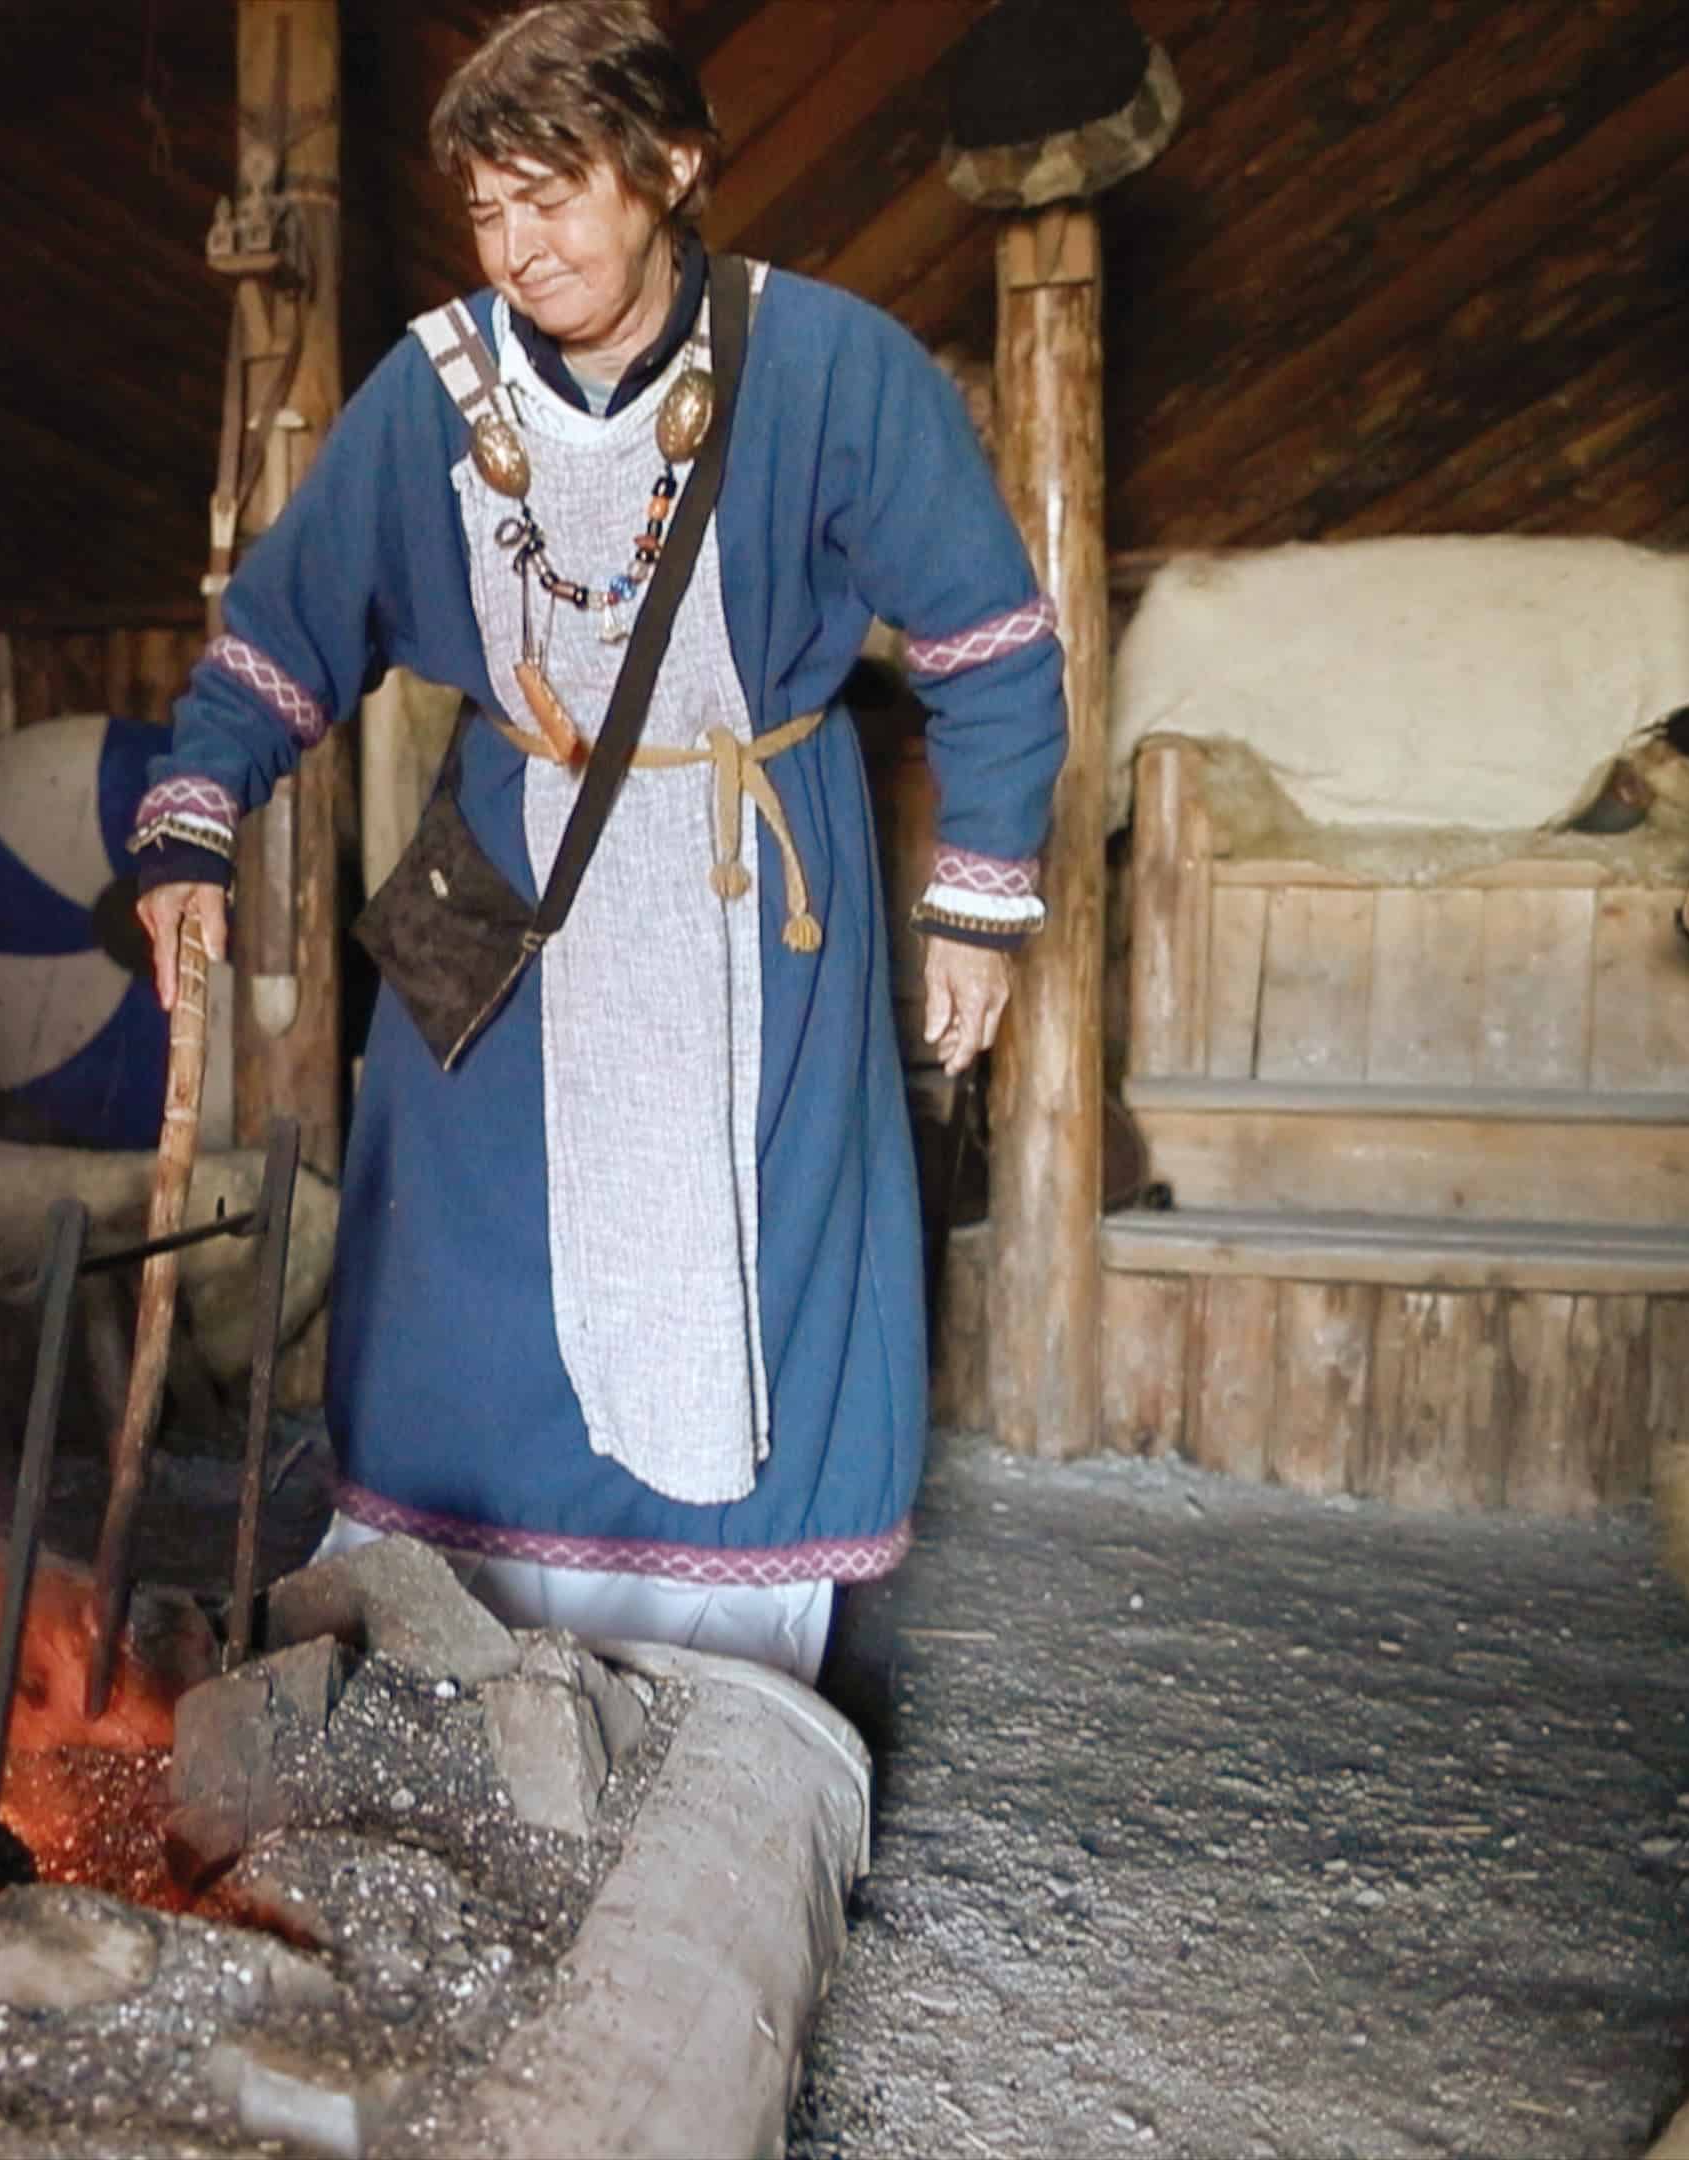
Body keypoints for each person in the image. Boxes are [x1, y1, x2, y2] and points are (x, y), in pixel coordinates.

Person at [131, 0, 1067, 1686]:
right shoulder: (434, 392)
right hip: (507, 886)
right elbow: (284, 630)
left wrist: (977, 909)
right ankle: (443, 1664)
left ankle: (716, 1684)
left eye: (553, 196)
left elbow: (993, 647)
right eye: (488, 208)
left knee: (752, 1263)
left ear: (671, 169)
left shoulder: (831, 367)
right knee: (449, 1266)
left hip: (748, 900)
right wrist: (196, 816)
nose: (520, 245)